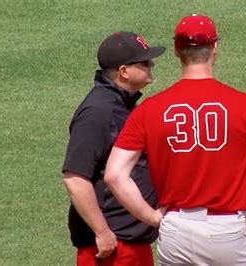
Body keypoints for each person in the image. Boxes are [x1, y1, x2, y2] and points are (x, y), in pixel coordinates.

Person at [104, 14, 246, 265]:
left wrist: (153, 217)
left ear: (177, 52)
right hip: (228, 233)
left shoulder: (149, 109)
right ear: (215, 48)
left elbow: (114, 174)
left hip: (176, 232)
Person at [62, 31, 165, 266]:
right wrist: (102, 232)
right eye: (145, 61)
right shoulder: (99, 112)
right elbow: (75, 178)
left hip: (131, 243)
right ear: (124, 71)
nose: (152, 64)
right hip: (113, 247)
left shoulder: (122, 105)